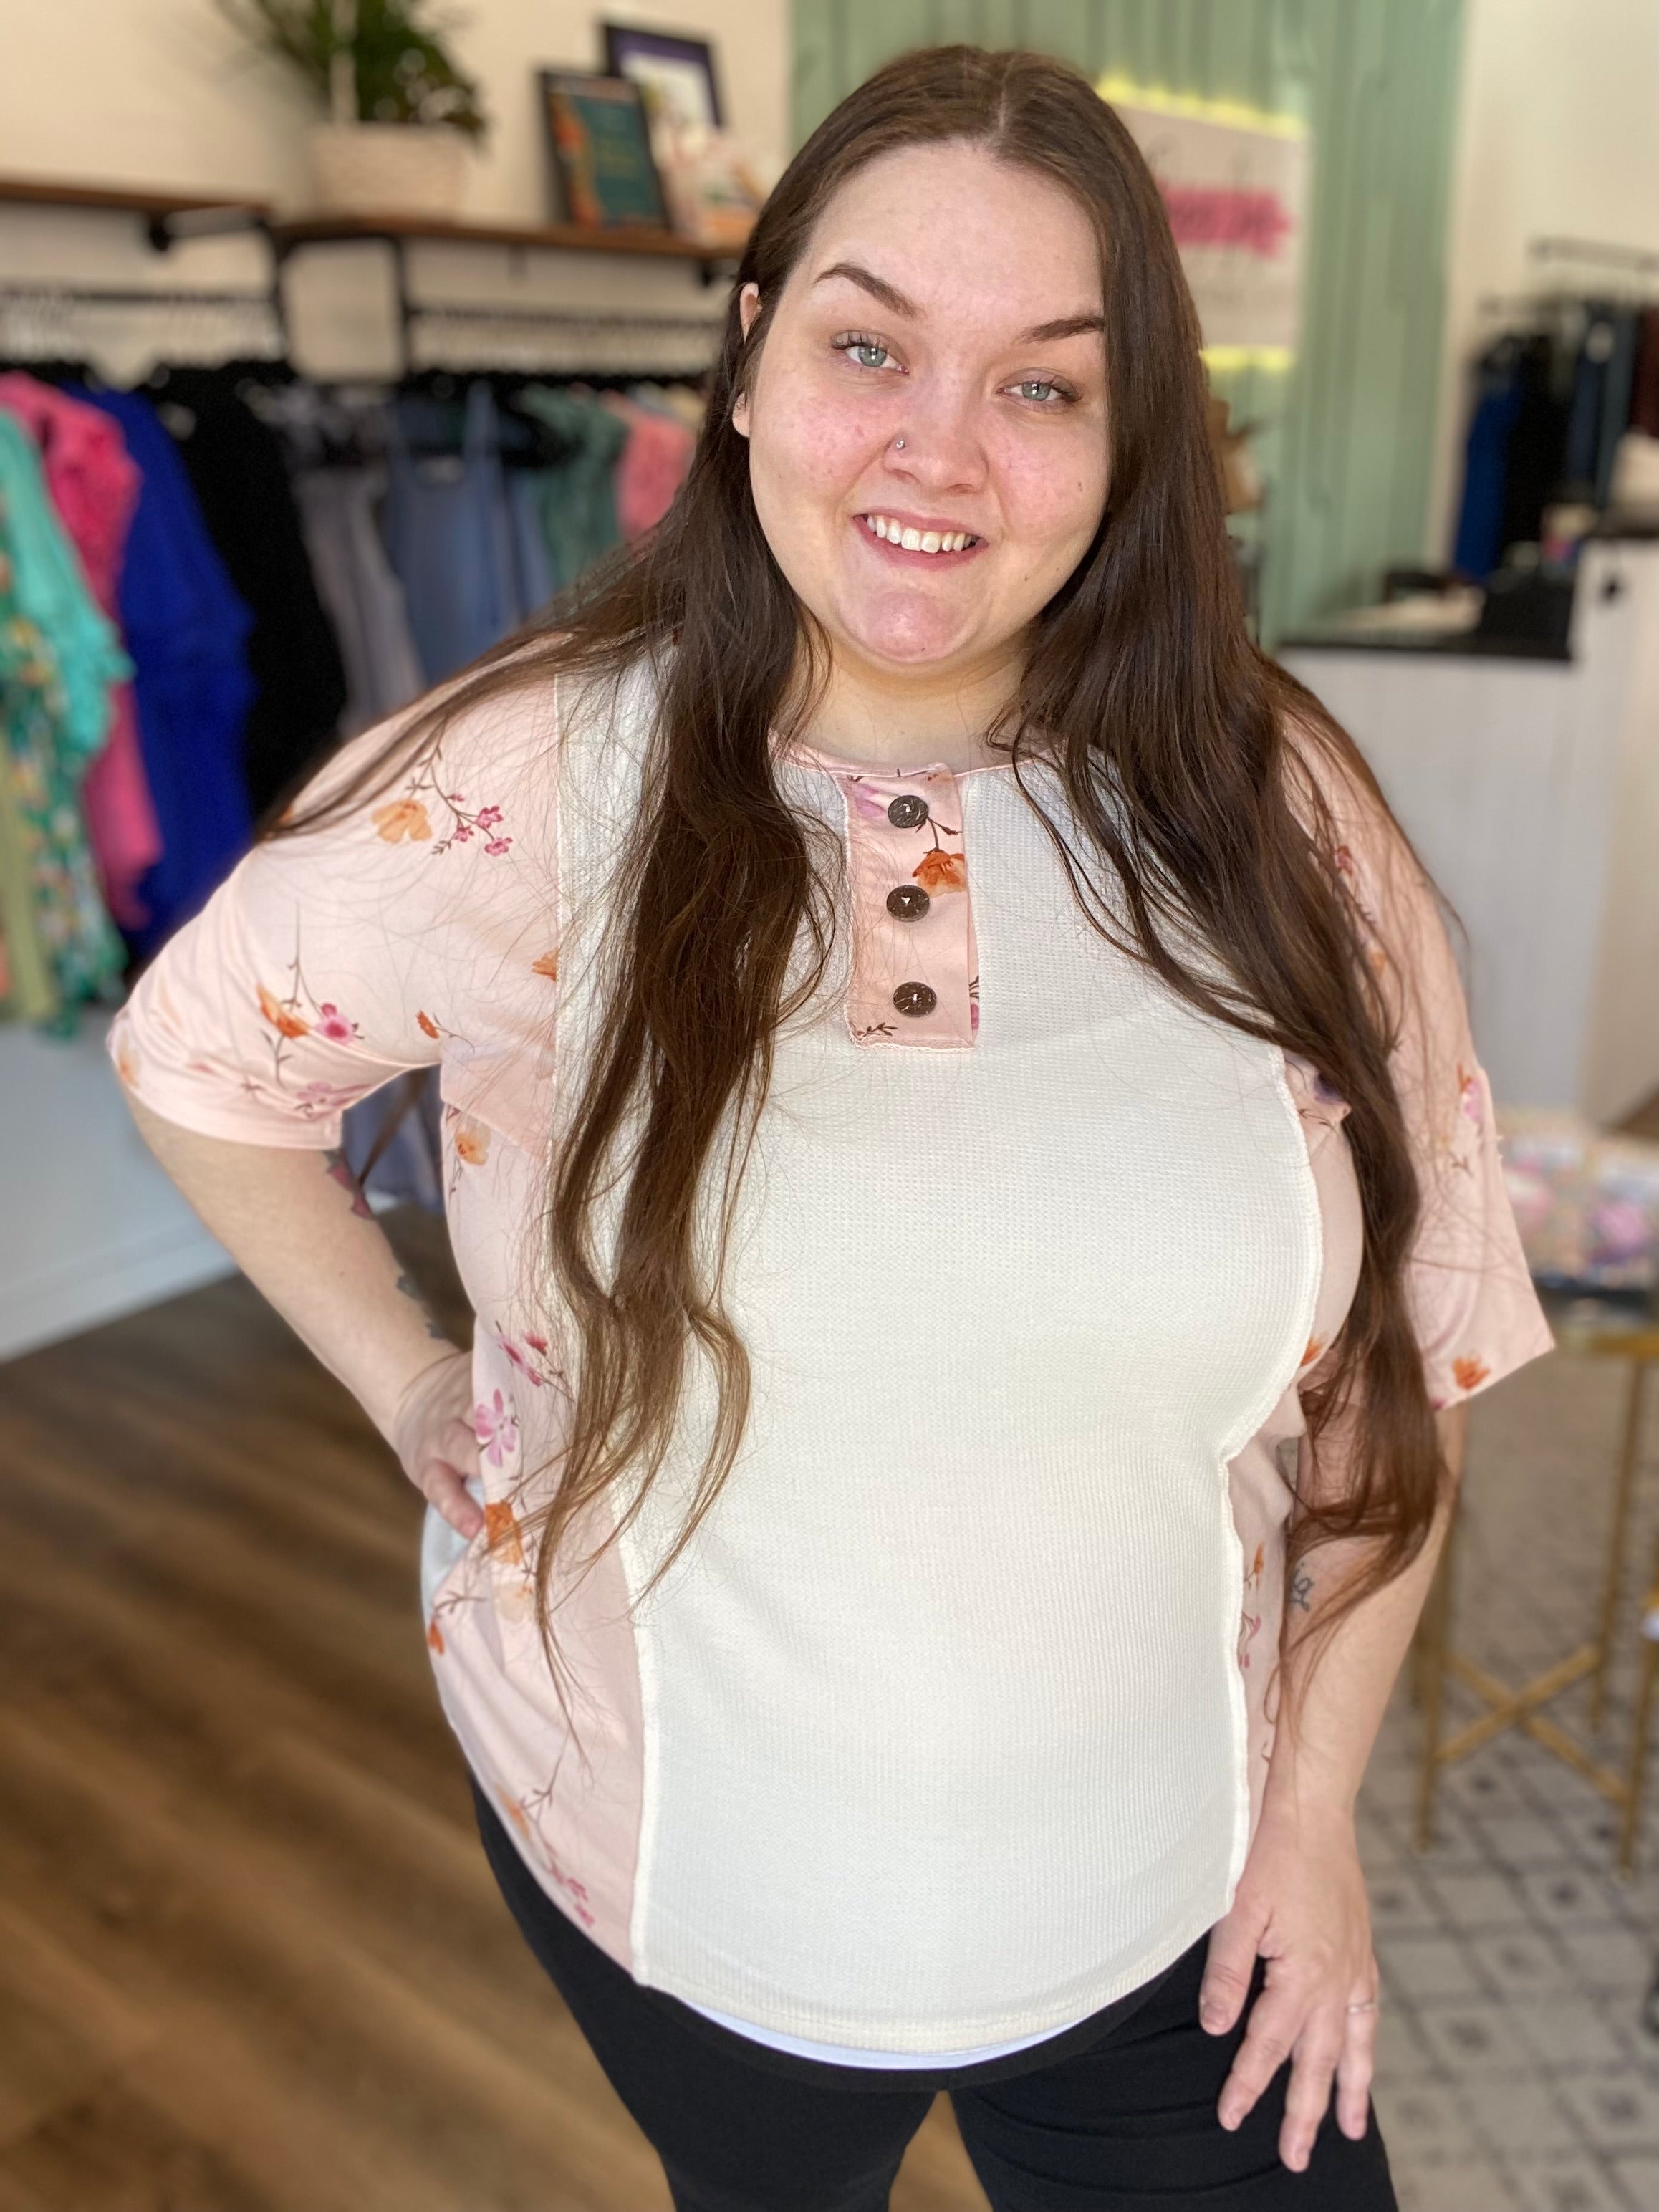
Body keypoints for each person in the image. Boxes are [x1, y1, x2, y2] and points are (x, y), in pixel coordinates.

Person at [109, 44, 1554, 2212]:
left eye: (1043, 386)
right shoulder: (525, 784)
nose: (935, 451)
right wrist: (412, 1377)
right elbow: (199, 1058)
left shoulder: (1277, 819)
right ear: (749, 362)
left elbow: (1399, 1367)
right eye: (867, 345)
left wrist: (1315, 1819)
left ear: (1129, 437)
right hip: (680, 1899)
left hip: (1182, 1894)